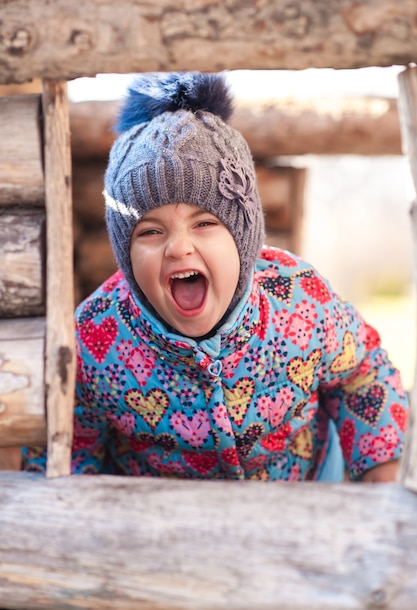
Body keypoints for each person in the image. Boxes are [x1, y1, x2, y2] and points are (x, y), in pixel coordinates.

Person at [23, 72, 408, 481]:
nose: (178, 247)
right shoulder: (97, 338)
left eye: (204, 224)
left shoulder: (300, 301)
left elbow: (362, 375)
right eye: (150, 231)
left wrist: (378, 479)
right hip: (165, 517)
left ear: (243, 240)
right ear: (125, 254)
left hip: (300, 493)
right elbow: (70, 441)